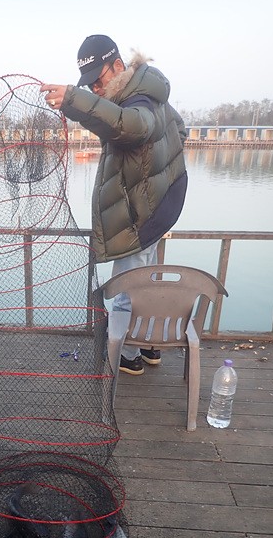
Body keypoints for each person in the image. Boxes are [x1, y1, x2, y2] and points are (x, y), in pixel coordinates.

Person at [40, 34, 188, 375]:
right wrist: (154, 175)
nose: (95, 88)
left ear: (118, 65)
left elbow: (132, 126)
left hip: (140, 219)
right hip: (158, 211)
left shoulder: (139, 101)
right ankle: (149, 345)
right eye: (89, 85)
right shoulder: (148, 92)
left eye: (98, 79)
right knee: (146, 284)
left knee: (126, 292)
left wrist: (73, 99)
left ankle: (128, 354)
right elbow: (177, 130)